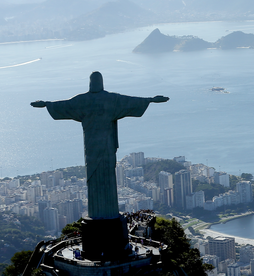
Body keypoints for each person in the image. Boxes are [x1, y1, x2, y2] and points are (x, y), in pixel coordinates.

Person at [31, 72, 168, 220]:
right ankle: (109, 213)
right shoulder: (111, 99)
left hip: (91, 147)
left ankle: (97, 214)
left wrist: (46, 104)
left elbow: (63, 105)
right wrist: (151, 100)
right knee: (107, 177)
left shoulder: (82, 100)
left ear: (90, 82)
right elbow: (131, 102)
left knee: (95, 177)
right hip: (107, 146)